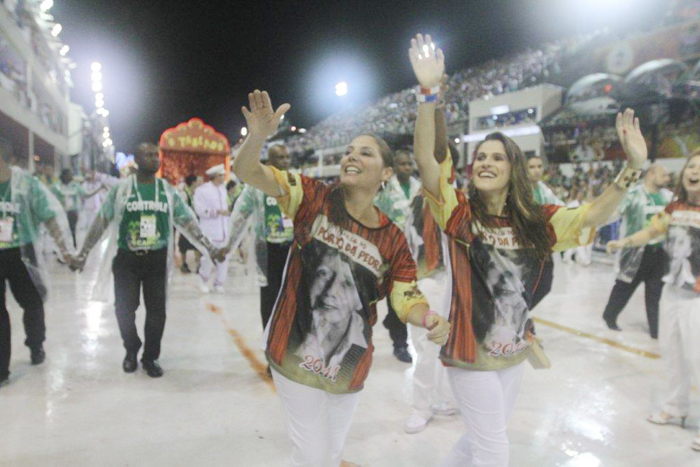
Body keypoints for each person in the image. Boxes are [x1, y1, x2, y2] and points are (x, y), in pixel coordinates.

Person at [409, 33, 648, 466]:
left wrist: (633, 168)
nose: (485, 162)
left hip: (514, 352)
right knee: (496, 451)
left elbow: (592, 215)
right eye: (481, 156)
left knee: (483, 439)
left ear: (513, 168)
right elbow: (427, 159)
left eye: (497, 158)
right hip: (469, 355)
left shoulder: (537, 221)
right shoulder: (458, 214)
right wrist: (428, 94)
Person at [231, 90, 449, 467]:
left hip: (350, 365)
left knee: (327, 453)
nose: (351, 156)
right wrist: (258, 137)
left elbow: (405, 295)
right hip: (293, 351)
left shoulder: (392, 239)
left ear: (385, 173)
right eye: (349, 150)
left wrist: (427, 317)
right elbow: (247, 172)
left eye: (365, 152)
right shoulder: (311, 197)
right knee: (315, 456)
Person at [71, 143, 220, 378]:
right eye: (148, 155)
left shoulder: (167, 191)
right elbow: (101, 221)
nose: (154, 158)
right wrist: (83, 253)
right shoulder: (121, 190)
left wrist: (209, 247)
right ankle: (131, 348)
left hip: (156, 260)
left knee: (157, 312)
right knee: (123, 310)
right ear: (137, 160)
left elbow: (188, 222)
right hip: (127, 259)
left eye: (155, 155)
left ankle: (150, 357)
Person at [607, 151, 700, 452]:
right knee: (671, 352)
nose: (694, 171)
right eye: (692, 165)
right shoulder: (674, 206)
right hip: (673, 290)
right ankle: (676, 406)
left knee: (697, 358)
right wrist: (623, 242)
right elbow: (651, 231)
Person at [0, 137, 75, 387]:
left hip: (22, 252)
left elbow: (50, 216)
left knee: (32, 303)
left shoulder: (25, 185)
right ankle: (2, 369)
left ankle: (35, 344)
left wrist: (65, 250)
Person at [402, 105, 458, 434]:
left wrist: (436, 104)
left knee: (439, 344)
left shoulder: (444, 190)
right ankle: (423, 405)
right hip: (421, 279)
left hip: (448, 277)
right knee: (425, 344)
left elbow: (435, 150)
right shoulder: (416, 198)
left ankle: (439, 401)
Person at [224, 144, 294, 331]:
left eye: (287, 157)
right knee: (270, 298)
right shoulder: (256, 187)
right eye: (281, 157)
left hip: (293, 249)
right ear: (270, 162)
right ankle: (270, 344)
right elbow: (240, 216)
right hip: (268, 250)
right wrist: (228, 245)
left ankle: (288, 345)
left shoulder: (296, 183)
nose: (286, 161)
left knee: (293, 298)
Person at [602, 164, 672, 337]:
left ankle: (655, 329)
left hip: (660, 252)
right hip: (635, 251)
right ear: (651, 174)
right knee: (625, 286)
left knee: (655, 292)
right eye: (664, 174)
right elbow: (613, 213)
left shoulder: (669, 198)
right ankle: (610, 315)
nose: (668, 179)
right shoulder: (633, 195)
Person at [374, 148, 422, 363]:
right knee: (396, 297)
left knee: (405, 297)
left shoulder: (418, 187)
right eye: (403, 164)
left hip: (414, 253)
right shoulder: (384, 190)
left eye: (410, 164)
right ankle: (400, 344)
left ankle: (393, 326)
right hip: (391, 252)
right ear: (394, 167)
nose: (408, 168)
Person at [527, 154, 564, 307]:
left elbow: (560, 208)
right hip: (525, 247)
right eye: (532, 167)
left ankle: (523, 314)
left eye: (539, 166)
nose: (536, 170)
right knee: (526, 286)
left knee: (545, 286)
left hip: (542, 247)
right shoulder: (519, 190)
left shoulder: (544, 190)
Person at [194, 164, 230, 294]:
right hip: (209, 230)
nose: (223, 177)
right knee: (208, 257)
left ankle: (219, 283)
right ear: (215, 176)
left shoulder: (223, 190)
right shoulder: (202, 190)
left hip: (223, 230)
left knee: (224, 257)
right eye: (221, 175)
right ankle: (203, 281)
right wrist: (217, 212)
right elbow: (199, 210)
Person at [51, 168, 102, 247]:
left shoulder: (75, 186)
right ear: (64, 176)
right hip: (60, 212)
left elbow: (86, 194)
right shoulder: (56, 186)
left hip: (72, 212)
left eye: (71, 174)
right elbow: (50, 196)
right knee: (62, 231)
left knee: (72, 230)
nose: (71, 176)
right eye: (69, 174)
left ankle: (73, 246)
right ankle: (62, 249)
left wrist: (99, 189)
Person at [77, 166, 120, 248]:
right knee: (90, 227)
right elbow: (85, 195)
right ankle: (89, 244)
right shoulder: (84, 185)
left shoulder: (98, 184)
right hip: (88, 209)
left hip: (97, 209)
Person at [178, 174, 200, 273]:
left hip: (194, 223)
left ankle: (199, 264)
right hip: (186, 224)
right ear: (193, 182)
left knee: (197, 243)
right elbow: (181, 208)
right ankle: (184, 264)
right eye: (197, 181)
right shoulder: (184, 194)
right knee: (184, 245)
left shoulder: (194, 193)